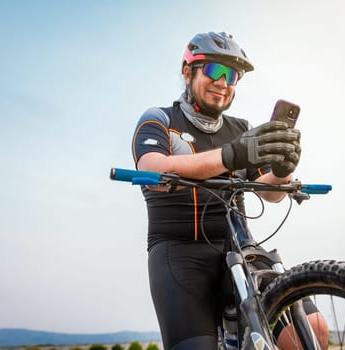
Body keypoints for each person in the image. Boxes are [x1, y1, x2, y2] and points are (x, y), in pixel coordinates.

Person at [131, 31, 328, 350]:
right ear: (187, 72)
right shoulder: (161, 118)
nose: (224, 82)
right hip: (179, 253)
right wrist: (230, 155)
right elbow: (151, 167)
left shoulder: (240, 129)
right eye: (214, 70)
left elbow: (272, 193)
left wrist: (282, 169)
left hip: (239, 248)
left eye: (232, 75)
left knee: (312, 329)